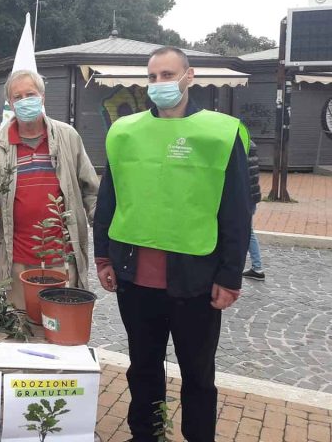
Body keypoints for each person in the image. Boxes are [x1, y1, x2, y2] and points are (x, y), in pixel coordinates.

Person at [93, 47, 251, 442]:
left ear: (189, 76)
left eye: (167, 74)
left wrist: (230, 275)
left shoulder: (219, 134)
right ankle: (145, 434)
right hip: (135, 277)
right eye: (152, 77)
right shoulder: (125, 132)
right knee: (143, 368)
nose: (159, 83)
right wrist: (103, 257)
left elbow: (236, 209)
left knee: (198, 374)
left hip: (196, 280)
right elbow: (109, 198)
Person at [0, 69, 99, 309]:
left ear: (42, 97)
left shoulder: (68, 137)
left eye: (30, 94)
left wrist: (106, 233)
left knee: (61, 325)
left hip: (62, 259)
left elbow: (91, 191)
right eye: (17, 97)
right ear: (10, 103)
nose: (24, 101)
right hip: (16, 262)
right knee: (21, 325)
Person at [243, 139, 265, 280]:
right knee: (248, 232)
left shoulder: (241, 145)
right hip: (252, 195)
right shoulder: (250, 144)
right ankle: (257, 267)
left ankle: (257, 268)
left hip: (245, 197)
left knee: (247, 233)